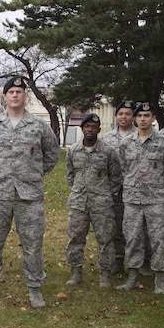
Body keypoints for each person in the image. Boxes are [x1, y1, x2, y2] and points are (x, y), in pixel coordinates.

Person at [0, 76, 59, 308]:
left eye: (19, 92)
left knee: (32, 245)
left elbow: (52, 155)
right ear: (4, 96)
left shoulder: (39, 126)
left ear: (25, 96)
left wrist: (32, 174)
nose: (14, 95)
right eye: (10, 91)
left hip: (29, 197)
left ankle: (34, 288)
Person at [117, 102, 164, 294]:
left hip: (157, 200)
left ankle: (159, 279)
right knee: (133, 238)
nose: (143, 119)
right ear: (135, 119)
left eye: (147, 115)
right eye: (140, 116)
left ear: (153, 118)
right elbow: (123, 169)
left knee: (159, 239)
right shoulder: (126, 143)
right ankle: (133, 277)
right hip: (133, 201)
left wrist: (163, 193)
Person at [64, 113, 122, 288]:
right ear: (82, 128)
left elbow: (116, 176)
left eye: (93, 127)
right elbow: (69, 175)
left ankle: (105, 274)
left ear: (98, 129)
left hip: (102, 203)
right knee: (75, 237)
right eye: (87, 126)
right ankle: (76, 272)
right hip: (78, 203)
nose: (90, 130)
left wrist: (104, 193)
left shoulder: (108, 151)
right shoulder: (73, 150)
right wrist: (79, 190)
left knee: (105, 239)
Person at [101, 100, 137, 274]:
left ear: (133, 117)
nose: (124, 117)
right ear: (116, 117)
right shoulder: (107, 139)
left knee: (135, 227)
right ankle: (116, 260)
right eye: (121, 114)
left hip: (137, 190)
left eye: (128, 114)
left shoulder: (141, 136)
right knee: (114, 225)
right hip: (113, 190)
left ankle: (137, 262)